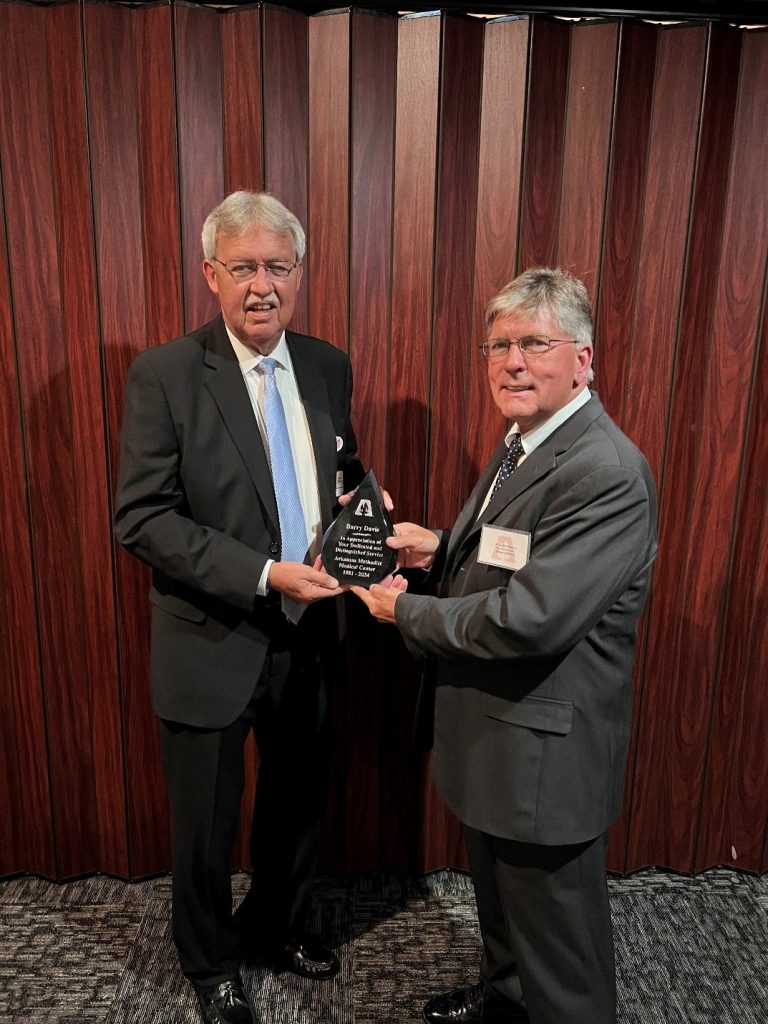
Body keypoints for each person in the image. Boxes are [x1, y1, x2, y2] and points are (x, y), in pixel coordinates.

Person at [353, 268, 658, 1024]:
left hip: (543, 762)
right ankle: (506, 1000)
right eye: (499, 345)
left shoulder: (607, 472)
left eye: (534, 344)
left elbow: (532, 618)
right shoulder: (526, 439)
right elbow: (516, 551)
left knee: (563, 959)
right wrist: (442, 546)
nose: (512, 362)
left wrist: (406, 612)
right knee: (503, 913)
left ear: (583, 359)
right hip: (497, 736)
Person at [115, 191, 367, 1024]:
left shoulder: (328, 365)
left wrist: (362, 510)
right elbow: (142, 517)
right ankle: (209, 963)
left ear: (300, 272)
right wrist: (263, 573)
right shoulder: (165, 374)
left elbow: (339, 470)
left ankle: (280, 924)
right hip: (211, 637)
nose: (263, 285)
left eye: (278, 266)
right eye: (244, 267)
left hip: (312, 632)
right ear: (210, 273)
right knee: (205, 826)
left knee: (297, 804)